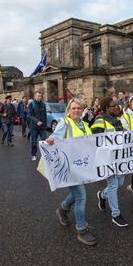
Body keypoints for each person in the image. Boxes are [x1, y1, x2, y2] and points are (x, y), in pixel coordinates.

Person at [48, 98, 97, 246]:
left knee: (77, 194)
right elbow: (55, 136)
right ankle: (81, 230)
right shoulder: (65, 123)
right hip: (69, 166)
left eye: (79, 108)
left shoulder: (84, 124)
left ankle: (62, 210)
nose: (76, 110)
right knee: (81, 196)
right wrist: (50, 139)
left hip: (82, 166)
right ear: (68, 110)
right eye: (73, 108)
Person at [91, 97, 129, 227]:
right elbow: (94, 140)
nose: (117, 107)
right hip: (107, 160)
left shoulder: (116, 120)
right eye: (114, 105)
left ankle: (102, 195)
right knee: (113, 185)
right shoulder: (100, 121)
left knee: (120, 182)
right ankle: (116, 214)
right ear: (107, 108)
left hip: (119, 158)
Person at [27, 91, 47, 161]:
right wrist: (37, 121)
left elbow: (45, 116)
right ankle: (33, 154)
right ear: (35, 96)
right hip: (34, 127)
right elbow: (29, 115)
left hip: (42, 127)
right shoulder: (31, 104)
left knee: (44, 141)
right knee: (34, 142)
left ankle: (45, 155)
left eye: (40, 96)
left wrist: (45, 125)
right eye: (38, 96)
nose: (39, 97)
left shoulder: (43, 104)